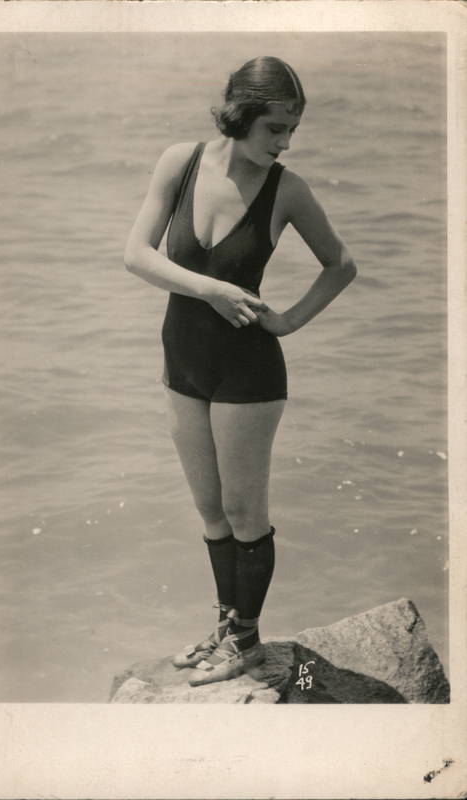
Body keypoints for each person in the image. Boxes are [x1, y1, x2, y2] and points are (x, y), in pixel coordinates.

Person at [124, 56, 356, 687]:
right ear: (240, 115)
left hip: (248, 373)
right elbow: (136, 255)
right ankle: (229, 628)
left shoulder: (287, 190)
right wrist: (213, 290)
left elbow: (340, 265)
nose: (284, 144)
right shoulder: (181, 163)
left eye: (292, 131)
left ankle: (248, 644)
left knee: (244, 510)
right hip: (182, 362)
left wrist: (288, 322)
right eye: (275, 129)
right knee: (210, 510)